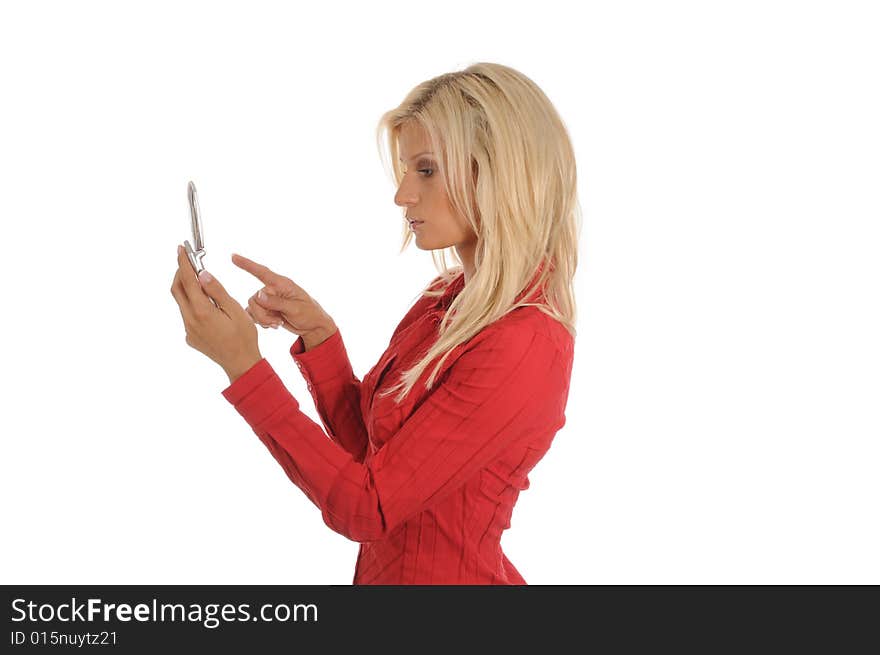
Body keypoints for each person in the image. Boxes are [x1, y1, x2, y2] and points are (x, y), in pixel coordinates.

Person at [170, 62, 581, 584]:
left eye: (426, 170)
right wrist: (319, 339)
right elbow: (373, 461)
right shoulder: (448, 299)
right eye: (407, 170)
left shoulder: (524, 344)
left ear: (499, 173)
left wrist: (244, 367)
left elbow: (367, 508)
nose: (402, 194)